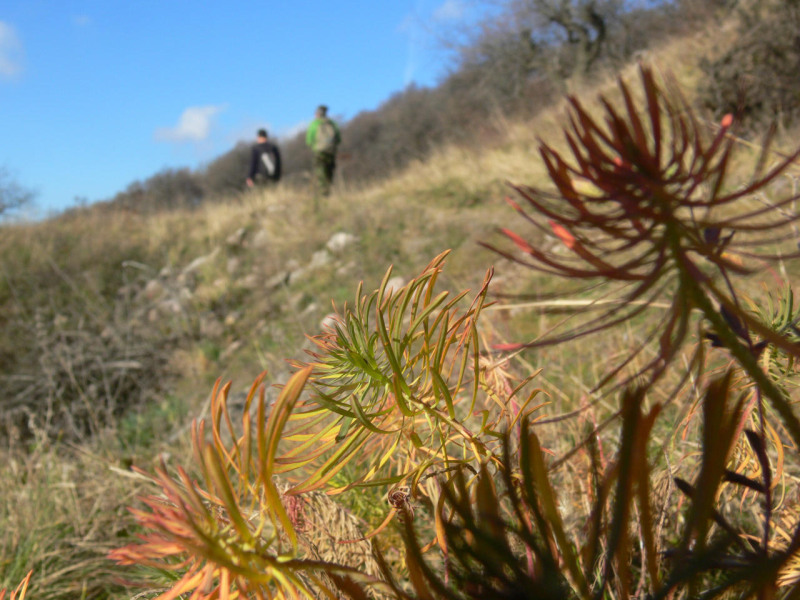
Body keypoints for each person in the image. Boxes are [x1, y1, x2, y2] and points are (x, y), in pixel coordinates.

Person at [305, 105, 341, 198]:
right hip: (331, 152)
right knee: (329, 172)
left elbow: (309, 140)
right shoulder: (332, 123)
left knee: (320, 172)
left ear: (317, 114)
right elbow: (338, 139)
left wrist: (314, 146)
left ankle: (323, 193)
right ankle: (328, 191)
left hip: (319, 152)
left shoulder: (314, 124)